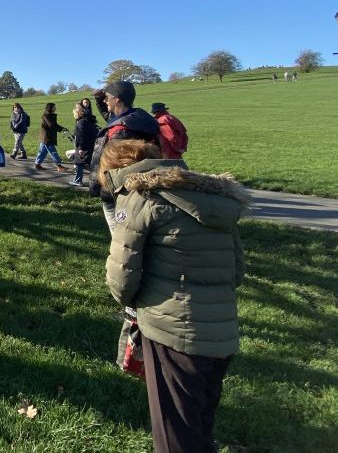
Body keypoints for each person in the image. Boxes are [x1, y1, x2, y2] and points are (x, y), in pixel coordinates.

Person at [99, 139, 248, 453]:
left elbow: (123, 275)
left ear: (115, 170)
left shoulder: (139, 196)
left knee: (174, 431)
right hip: (222, 330)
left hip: (171, 330)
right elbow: (237, 270)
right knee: (201, 421)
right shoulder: (209, 194)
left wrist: (131, 302)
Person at [89, 81, 161, 233]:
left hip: (119, 194)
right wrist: (99, 98)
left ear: (117, 99)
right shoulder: (136, 119)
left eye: (107, 97)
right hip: (140, 189)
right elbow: (109, 116)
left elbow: (116, 167)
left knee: (121, 237)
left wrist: (105, 193)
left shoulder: (121, 131)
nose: (104, 100)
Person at [68, 104, 99, 187]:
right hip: (90, 145)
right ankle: (98, 179)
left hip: (83, 146)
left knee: (79, 163)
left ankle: (78, 181)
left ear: (78, 113)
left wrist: (81, 147)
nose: (74, 115)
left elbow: (81, 135)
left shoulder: (81, 122)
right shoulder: (88, 120)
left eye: (74, 113)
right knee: (88, 163)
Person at [34, 102, 69, 173]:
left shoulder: (50, 115)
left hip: (46, 137)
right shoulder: (47, 116)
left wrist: (63, 128)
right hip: (47, 137)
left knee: (42, 152)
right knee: (53, 152)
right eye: (54, 107)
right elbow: (52, 125)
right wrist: (62, 129)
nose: (55, 108)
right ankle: (59, 166)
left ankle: (37, 164)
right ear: (50, 108)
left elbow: (53, 125)